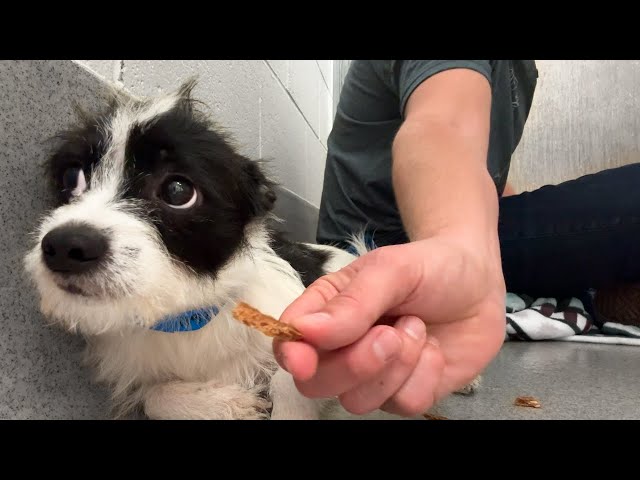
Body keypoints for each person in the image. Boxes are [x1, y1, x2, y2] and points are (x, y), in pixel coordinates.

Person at [273, 60, 640, 417]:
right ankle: (602, 293)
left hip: (439, 232)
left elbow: (486, 179)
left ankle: (603, 292)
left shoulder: (521, 70)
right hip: (385, 252)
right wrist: (457, 246)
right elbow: (443, 126)